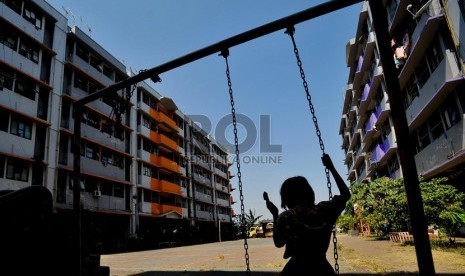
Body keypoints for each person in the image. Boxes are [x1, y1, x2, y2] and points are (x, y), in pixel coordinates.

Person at [263, 153, 351, 276]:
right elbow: (346, 195)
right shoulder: (325, 209)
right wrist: (331, 168)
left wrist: (275, 214)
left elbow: (278, 242)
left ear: (287, 198)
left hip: (295, 268)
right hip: (321, 267)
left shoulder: (286, 217)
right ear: (310, 192)